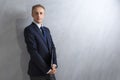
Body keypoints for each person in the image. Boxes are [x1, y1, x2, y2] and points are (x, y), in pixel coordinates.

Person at [24, 4, 58, 80]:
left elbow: (52, 47)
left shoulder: (46, 30)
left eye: (41, 13)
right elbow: (33, 52)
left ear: (44, 15)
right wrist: (47, 69)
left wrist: (54, 64)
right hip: (37, 72)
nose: (38, 15)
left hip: (51, 70)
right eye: (36, 13)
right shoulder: (29, 30)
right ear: (32, 14)